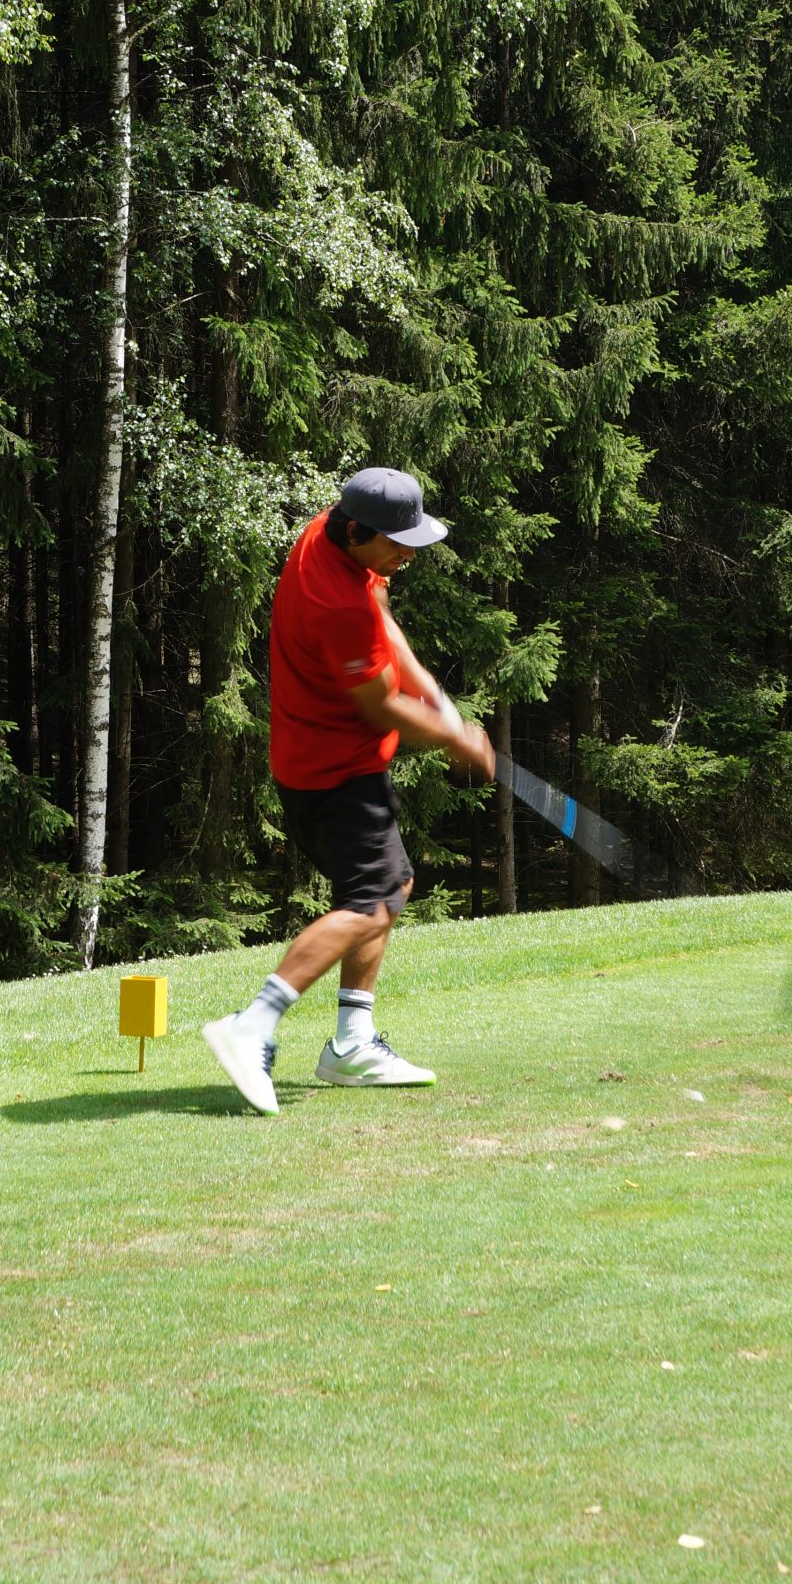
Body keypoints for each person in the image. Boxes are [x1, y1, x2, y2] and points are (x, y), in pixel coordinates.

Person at [203, 466, 494, 1117]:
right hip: (335, 772)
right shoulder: (334, 600)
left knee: (390, 887)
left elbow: (383, 620)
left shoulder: (334, 535)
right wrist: (456, 740)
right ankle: (252, 1025)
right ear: (359, 531)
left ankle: (352, 1044)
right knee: (372, 903)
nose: (408, 555)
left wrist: (439, 701)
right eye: (398, 543)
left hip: (324, 762)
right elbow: (379, 704)